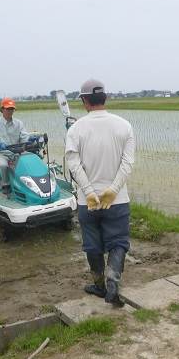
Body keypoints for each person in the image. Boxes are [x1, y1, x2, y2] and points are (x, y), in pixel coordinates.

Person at [65, 79, 136, 306]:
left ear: (85, 101)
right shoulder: (124, 126)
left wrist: (89, 192)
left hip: (89, 202)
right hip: (117, 201)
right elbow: (127, 163)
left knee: (92, 245)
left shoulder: (76, 129)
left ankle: (99, 285)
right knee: (118, 242)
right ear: (105, 98)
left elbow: (73, 165)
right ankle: (113, 281)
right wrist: (113, 191)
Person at [0, 97, 36, 192]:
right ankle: (5, 185)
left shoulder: (19, 123)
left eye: (12, 109)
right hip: (1, 153)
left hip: (17, 152)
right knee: (3, 165)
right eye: (8, 109)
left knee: (29, 163)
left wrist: (30, 140)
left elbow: (24, 137)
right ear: (2, 109)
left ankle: (29, 186)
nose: (10, 111)